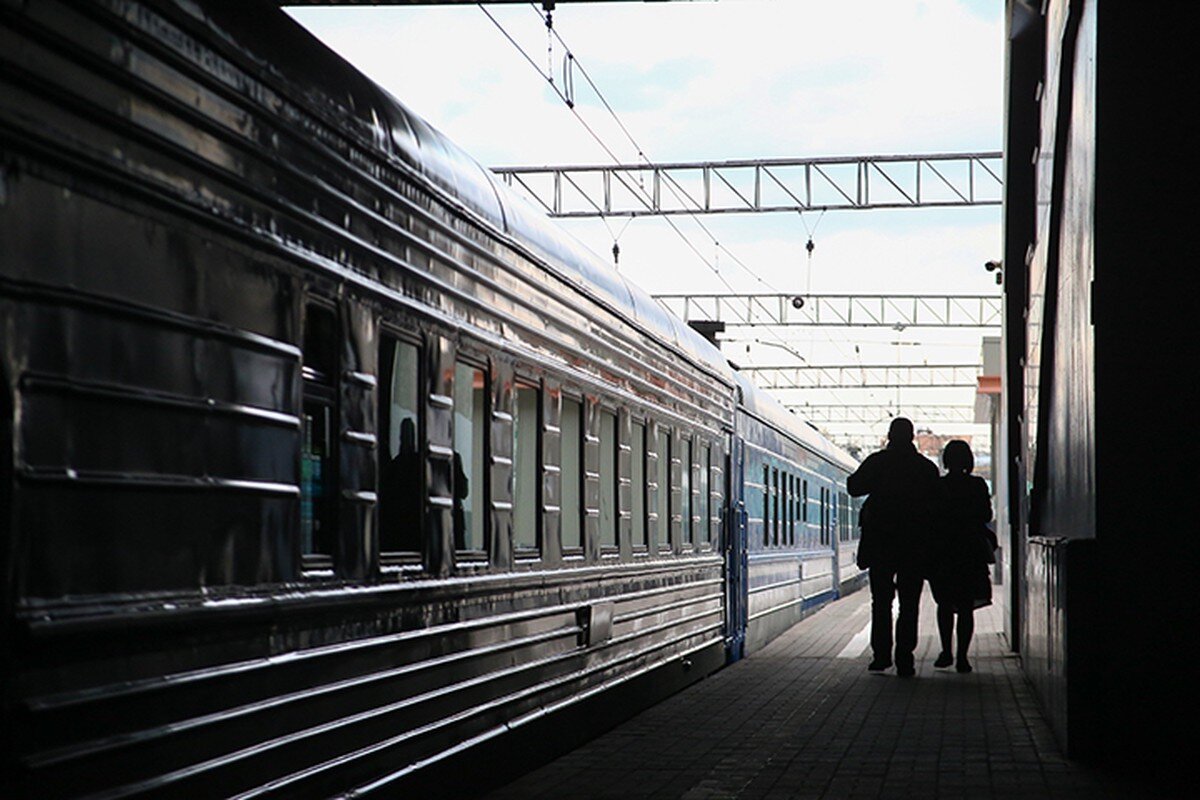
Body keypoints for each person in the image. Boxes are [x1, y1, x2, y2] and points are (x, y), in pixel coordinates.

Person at [847, 417, 939, 677]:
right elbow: (937, 504)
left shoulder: (878, 462)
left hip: (881, 543)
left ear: (890, 436)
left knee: (882, 602)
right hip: (914, 545)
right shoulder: (925, 468)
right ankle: (905, 658)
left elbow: (854, 487)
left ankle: (881, 656)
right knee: (910, 603)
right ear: (911, 437)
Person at [929, 439, 997, 674]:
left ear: (946, 460)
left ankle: (946, 651)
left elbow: (931, 518)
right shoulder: (978, 485)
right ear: (968, 460)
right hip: (970, 552)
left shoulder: (937, 486)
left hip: (943, 552)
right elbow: (986, 514)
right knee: (966, 607)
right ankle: (962, 658)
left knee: (944, 604)